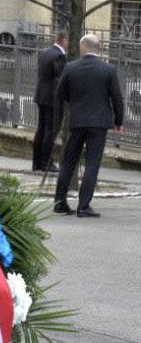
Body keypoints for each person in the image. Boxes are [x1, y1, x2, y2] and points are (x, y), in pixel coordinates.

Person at [53, 34, 124, 219]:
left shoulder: (70, 67)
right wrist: (119, 121)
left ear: (83, 48)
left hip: (77, 121)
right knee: (92, 163)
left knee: (68, 161)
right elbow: (116, 97)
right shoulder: (108, 69)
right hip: (99, 123)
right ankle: (84, 205)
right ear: (97, 49)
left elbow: (60, 93)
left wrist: (76, 102)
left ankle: (60, 202)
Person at [32, 31, 68, 172]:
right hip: (53, 99)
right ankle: (46, 163)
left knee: (41, 129)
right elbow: (60, 79)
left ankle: (37, 163)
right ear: (64, 41)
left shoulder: (46, 53)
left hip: (41, 95)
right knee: (50, 131)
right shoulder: (59, 56)